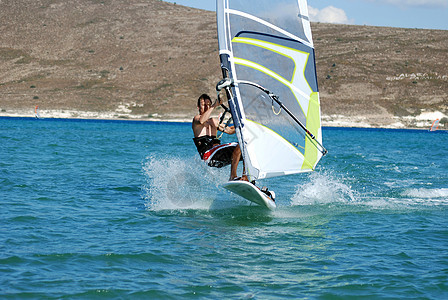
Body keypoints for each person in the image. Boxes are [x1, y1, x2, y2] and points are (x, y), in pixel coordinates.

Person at [192, 94, 248, 181]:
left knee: (245, 147)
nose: (207, 107)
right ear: (198, 107)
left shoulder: (213, 122)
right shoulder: (196, 120)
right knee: (240, 145)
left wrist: (243, 124)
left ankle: (246, 177)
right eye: (204, 105)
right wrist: (214, 106)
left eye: (208, 105)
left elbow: (230, 131)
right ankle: (233, 176)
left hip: (218, 156)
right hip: (208, 156)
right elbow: (202, 120)